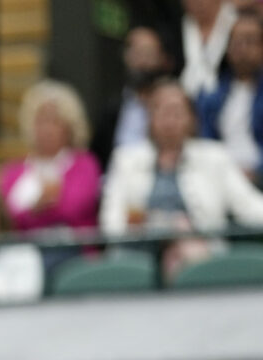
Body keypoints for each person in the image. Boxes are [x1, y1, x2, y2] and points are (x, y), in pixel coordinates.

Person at [100, 77, 263, 274]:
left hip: (201, 257)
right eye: (162, 111)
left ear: (192, 118)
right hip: (138, 257)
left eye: (177, 112)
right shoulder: (125, 159)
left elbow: (250, 206)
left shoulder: (215, 157)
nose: (170, 120)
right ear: (149, 117)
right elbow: (110, 223)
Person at [0, 80, 100, 235]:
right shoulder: (12, 172)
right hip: (23, 253)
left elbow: (73, 211)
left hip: (74, 251)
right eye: (41, 121)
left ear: (70, 127)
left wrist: (30, 214)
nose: (47, 129)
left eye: (55, 121)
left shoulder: (84, 164)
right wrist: (36, 209)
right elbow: (3, 220)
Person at [196, 12, 263, 183]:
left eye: (249, 41)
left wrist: (256, 171)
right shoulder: (210, 93)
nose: (242, 48)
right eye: (236, 41)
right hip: (220, 178)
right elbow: (205, 142)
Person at [94, 26, 171, 168]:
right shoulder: (112, 109)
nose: (142, 62)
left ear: (162, 58)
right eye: (137, 53)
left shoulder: (175, 104)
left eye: (149, 54)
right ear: (126, 57)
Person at [180, 0, 238, 100]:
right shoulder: (180, 26)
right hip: (186, 95)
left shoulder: (238, 22)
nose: (198, 2)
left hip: (231, 94)